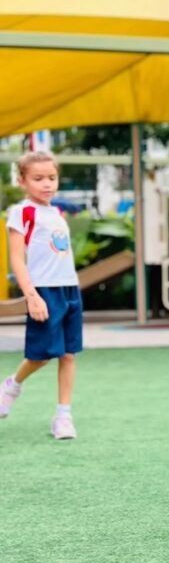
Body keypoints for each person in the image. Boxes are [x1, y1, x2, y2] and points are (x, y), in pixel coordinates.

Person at [0, 151, 83, 439]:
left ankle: (63, 416)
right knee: (42, 356)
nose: (47, 184)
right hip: (43, 290)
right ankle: (12, 385)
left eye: (51, 177)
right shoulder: (21, 212)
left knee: (69, 355)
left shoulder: (56, 213)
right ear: (22, 180)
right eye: (38, 178)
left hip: (69, 288)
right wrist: (32, 295)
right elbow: (17, 258)